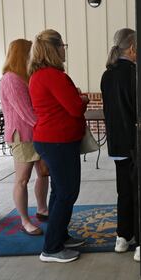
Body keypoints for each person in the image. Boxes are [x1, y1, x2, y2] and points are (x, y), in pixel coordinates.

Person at [29, 29, 89, 263]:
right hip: (58, 141)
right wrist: (81, 99)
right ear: (55, 49)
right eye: (63, 45)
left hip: (51, 139)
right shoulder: (53, 75)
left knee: (59, 191)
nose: (65, 50)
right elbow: (74, 108)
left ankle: (60, 236)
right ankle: (51, 247)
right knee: (67, 193)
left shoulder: (38, 74)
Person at [0, 39, 49, 235]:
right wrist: (48, 126)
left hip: (37, 132)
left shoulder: (27, 76)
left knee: (43, 173)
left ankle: (42, 209)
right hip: (23, 135)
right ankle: (24, 220)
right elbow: (26, 112)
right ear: (22, 54)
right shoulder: (11, 79)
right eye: (31, 52)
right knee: (22, 179)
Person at [100, 28, 141, 261]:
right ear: (133, 48)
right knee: (138, 190)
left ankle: (122, 237)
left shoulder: (107, 74)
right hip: (135, 141)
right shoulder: (134, 73)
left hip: (117, 143)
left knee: (123, 190)